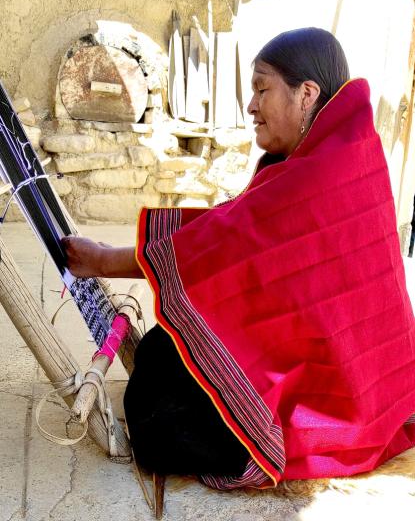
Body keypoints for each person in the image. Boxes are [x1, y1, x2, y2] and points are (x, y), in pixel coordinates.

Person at [63, 27, 415, 490]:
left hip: (344, 399)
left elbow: (225, 244)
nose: (251, 106)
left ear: (306, 94)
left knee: (159, 421)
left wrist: (107, 261)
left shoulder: (327, 174)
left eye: (261, 89)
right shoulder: (341, 155)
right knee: (161, 353)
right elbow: (237, 236)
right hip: (357, 380)